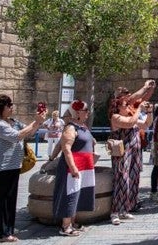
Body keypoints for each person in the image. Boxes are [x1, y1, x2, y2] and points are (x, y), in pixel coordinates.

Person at [0, 95, 46, 244]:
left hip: (13, 167)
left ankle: (5, 232)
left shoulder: (13, 122)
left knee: (9, 201)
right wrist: (35, 122)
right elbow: (17, 136)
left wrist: (38, 122)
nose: (12, 107)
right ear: (0, 108)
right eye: (9, 105)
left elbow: (29, 133)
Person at [109, 80, 155, 225]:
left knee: (133, 179)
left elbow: (147, 124)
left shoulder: (131, 115)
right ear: (118, 106)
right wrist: (139, 109)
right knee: (121, 179)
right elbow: (129, 123)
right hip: (122, 153)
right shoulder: (116, 117)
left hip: (135, 151)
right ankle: (115, 212)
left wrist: (149, 112)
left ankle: (126, 208)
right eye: (125, 104)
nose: (128, 105)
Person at [52, 100, 95, 237]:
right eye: (85, 110)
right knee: (70, 193)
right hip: (73, 166)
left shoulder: (83, 127)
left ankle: (73, 222)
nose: (88, 113)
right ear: (77, 113)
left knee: (78, 194)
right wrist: (73, 167)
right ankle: (66, 226)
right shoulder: (71, 128)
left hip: (85, 167)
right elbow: (66, 148)